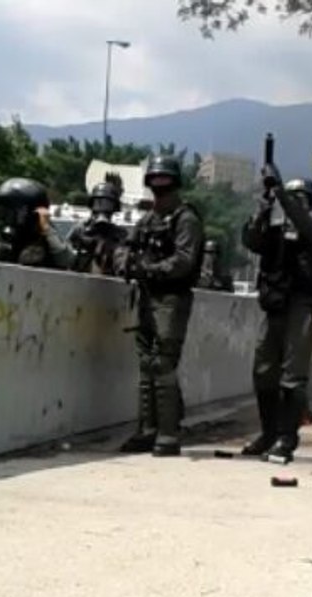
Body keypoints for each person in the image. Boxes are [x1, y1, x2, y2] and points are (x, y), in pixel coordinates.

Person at [115, 156, 204, 456]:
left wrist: (150, 269)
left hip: (171, 298)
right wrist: (125, 261)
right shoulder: (148, 219)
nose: (159, 188)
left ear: (175, 183)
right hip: (147, 296)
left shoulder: (185, 218)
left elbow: (184, 260)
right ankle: (148, 429)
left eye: (164, 182)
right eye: (155, 182)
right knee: (145, 365)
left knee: (163, 363)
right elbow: (126, 245)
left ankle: (168, 434)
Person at [239, 171, 312, 463]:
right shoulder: (276, 233)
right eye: (293, 199)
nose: (295, 204)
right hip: (275, 307)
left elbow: (304, 224)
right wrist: (262, 209)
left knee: (293, 376)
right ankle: (269, 432)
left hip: (302, 306)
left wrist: (281, 193)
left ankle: (287, 437)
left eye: (301, 199)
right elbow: (252, 240)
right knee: (264, 372)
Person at [0, 178, 75, 268]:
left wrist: (46, 228)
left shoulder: (49, 235)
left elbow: (66, 260)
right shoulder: (10, 236)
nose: (10, 216)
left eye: (17, 211)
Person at [67, 182, 127, 275]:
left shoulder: (118, 234)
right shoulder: (80, 230)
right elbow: (66, 257)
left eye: (107, 205)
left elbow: (122, 264)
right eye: (98, 203)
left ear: (114, 208)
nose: (102, 208)